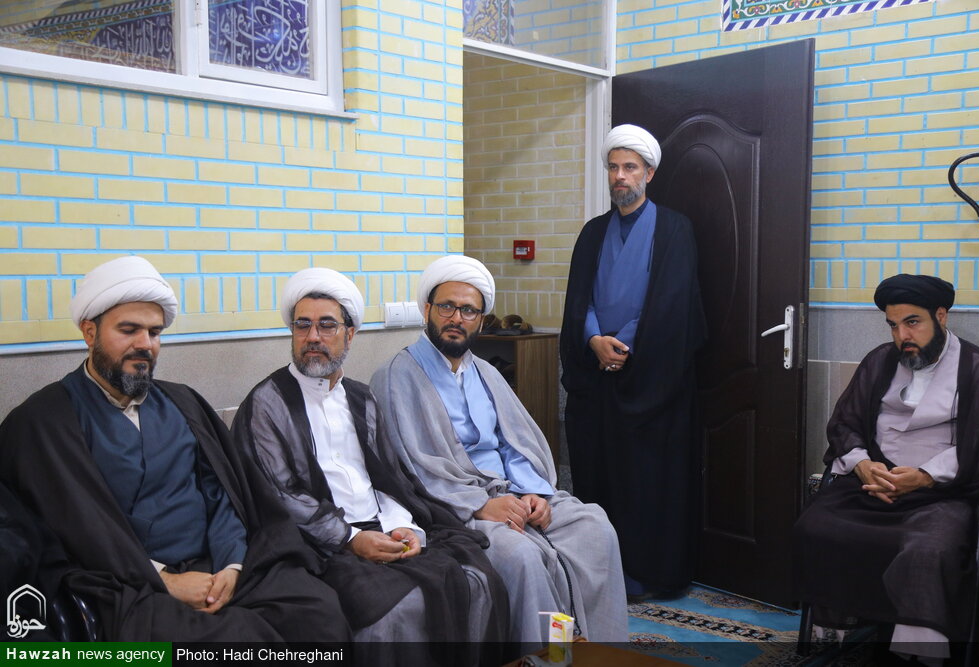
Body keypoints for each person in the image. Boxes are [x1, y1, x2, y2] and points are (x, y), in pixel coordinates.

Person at [0, 256, 349, 642]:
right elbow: (75, 531)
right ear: (89, 332)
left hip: (218, 566)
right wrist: (164, 580)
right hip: (128, 587)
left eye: (154, 332)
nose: (144, 344)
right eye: (129, 330)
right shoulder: (45, 422)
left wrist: (231, 565)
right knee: (238, 641)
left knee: (318, 615)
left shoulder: (183, 403)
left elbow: (223, 495)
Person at [231, 267, 509, 663]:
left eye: (327, 326)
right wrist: (350, 539)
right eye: (303, 325)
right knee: (395, 608)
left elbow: (389, 477)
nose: (313, 337)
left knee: (477, 578)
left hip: (381, 529)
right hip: (316, 544)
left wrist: (402, 525)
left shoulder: (361, 399)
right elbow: (280, 494)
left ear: (350, 334)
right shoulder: (267, 403)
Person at [371, 255, 628, 646]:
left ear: (480, 320)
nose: (456, 318)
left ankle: (600, 653)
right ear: (427, 310)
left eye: (469, 310)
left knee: (595, 527)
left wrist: (534, 493)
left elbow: (516, 443)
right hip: (454, 506)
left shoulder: (486, 373)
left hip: (514, 491)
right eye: (447, 306)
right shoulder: (396, 376)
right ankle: (549, 657)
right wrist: (480, 505)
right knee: (523, 555)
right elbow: (414, 467)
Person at [793, 273, 979, 664]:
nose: (902, 335)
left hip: (941, 491)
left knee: (931, 549)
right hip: (873, 481)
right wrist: (862, 464)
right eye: (893, 325)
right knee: (816, 526)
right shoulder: (880, 360)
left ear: (941, 316)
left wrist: (924, 476)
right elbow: (846, 423)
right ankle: (841, 627)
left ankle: (915, 653)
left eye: (912, 322)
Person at [560, 123, 706, 600]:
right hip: (596, 381)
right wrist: (593, 340)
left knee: (648, 484)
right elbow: (578, 299)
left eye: (630, 167)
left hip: (651, 383)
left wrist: (621, 345)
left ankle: (647, 574)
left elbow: (670, 304)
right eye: (613, 167)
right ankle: (599, 573)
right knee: (598, 477)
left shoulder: (674, 230)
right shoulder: (592, 233)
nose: (620, 176)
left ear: (649, 173)